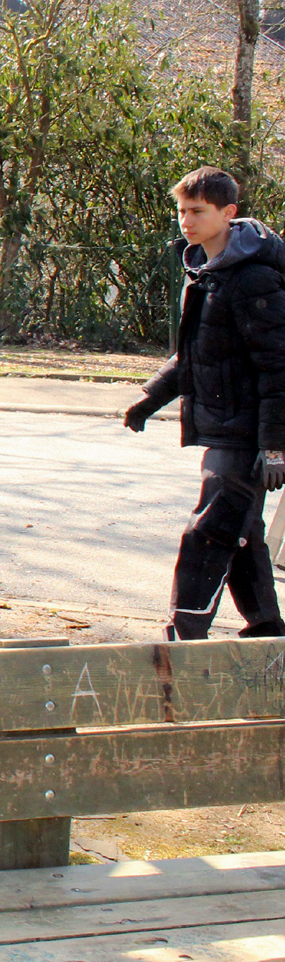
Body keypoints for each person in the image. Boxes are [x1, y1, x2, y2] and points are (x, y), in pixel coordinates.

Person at [125, 166, 285, 641]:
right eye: (181, 211)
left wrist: (275, 447)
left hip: (249, 433)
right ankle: (268, 630)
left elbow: (279, 367)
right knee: (240, 531)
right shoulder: (204, 271)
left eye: (197, 211)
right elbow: (196, 352)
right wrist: (150, 397)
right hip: (226, 427)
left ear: (228, 212)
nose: (186, 221)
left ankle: (185, 632)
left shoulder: (252, 278)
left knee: (211, 529)